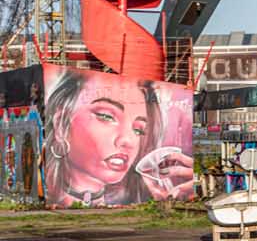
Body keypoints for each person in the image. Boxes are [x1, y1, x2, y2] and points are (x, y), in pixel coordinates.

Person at [41, 71, 194, 206]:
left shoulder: (145, 193)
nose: (128, 141)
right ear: (61, 123)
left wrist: (170, 200)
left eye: (138, 130)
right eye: (106, 116)